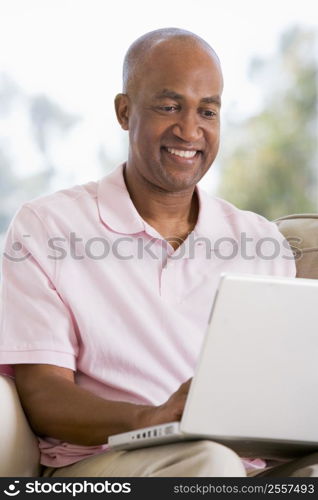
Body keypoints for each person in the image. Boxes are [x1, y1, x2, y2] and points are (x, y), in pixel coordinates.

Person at [0, 27, 317, 477]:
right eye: (169, 107)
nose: (190, 130)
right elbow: (43, 395)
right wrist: (148, 419)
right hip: (103, 466)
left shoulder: (260, 241)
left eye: (207, 111)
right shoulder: (48, 227)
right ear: (124, 111)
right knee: (210, 463)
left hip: (247, 469)